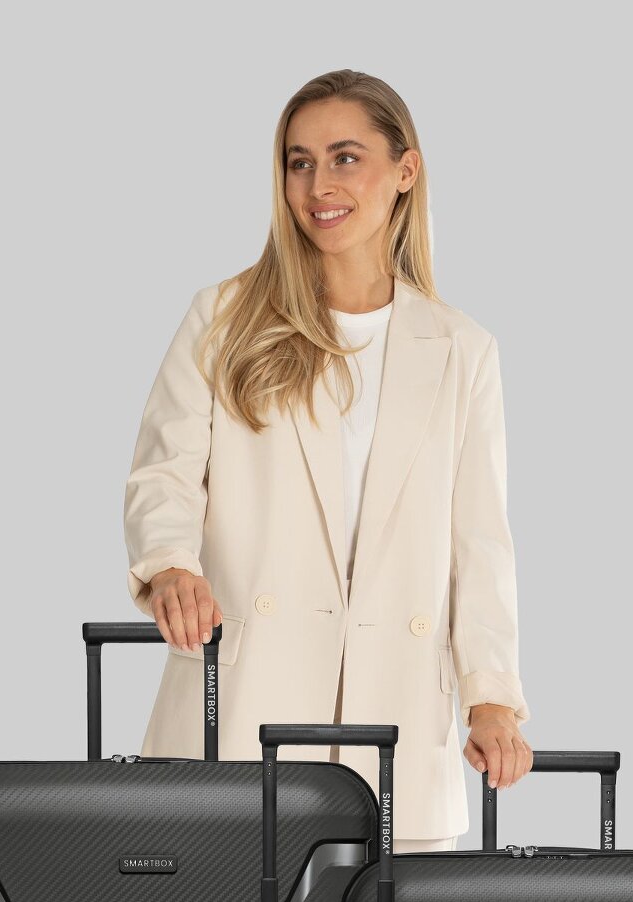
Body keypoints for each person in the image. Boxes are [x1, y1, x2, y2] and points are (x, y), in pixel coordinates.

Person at [123, 68, 531, 849]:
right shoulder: (224, 318)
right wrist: (170, 565)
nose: (319, 186)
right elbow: (164, 471)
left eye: (346, 157)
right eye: (299, 162)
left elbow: (479, 542)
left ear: (405, 171)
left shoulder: (462, 349)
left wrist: (491, 697)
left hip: (398, 723)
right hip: (239, 713)